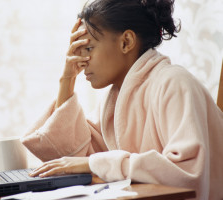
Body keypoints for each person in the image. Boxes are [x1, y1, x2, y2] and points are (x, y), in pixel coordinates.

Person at [22, 0, 223, 199]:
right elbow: (74, 157)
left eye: (89, 49)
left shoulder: (175, 83)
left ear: (126, 42)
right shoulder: (115, 98)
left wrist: (95, 163)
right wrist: (67, 79)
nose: (82, 62)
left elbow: (187, 173)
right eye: (79, 52)